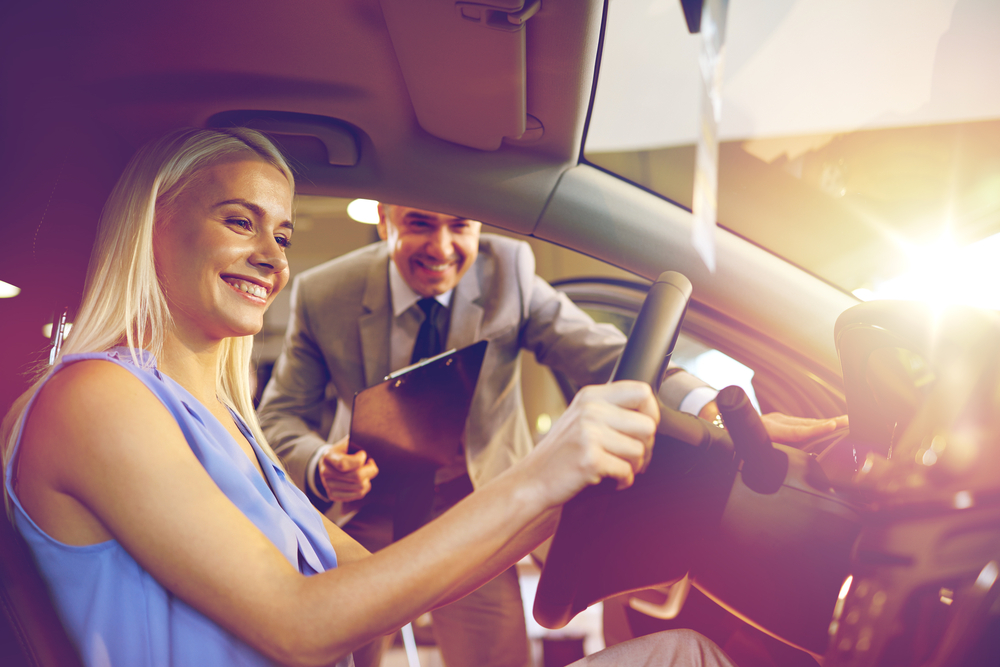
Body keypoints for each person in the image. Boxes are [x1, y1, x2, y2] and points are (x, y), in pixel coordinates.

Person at [0, 127, 739, 667]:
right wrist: (543, 474)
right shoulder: (95, 398)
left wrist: (566, 489)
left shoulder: (228, 425)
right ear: (152, 222)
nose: (271, 256)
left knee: (681, 651)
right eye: (238, 220)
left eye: (283, 234)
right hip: (371, 546)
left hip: (448, 517)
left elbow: (361, 576)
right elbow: (296, 623)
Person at [257, 202, 848, 666]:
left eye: (459, 226)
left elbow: (602, 354)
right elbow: (280, 415)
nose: (441, 247)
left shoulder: (509, 271)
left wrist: (710, 407)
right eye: (418, 225)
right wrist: (320, 464)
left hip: (476, 512)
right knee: (334, 655)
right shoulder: (323, 292)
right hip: (367, 514)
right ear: (385, 219)